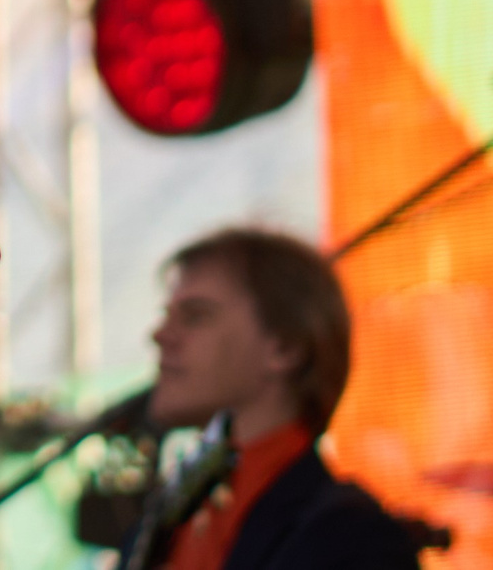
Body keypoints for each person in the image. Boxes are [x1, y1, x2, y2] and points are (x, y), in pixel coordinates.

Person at [141, 228, 419, 570]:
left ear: (286, 347)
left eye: (196, 315)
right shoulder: (170, 517)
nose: (159, 335)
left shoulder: (352, 540)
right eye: (166, 315)